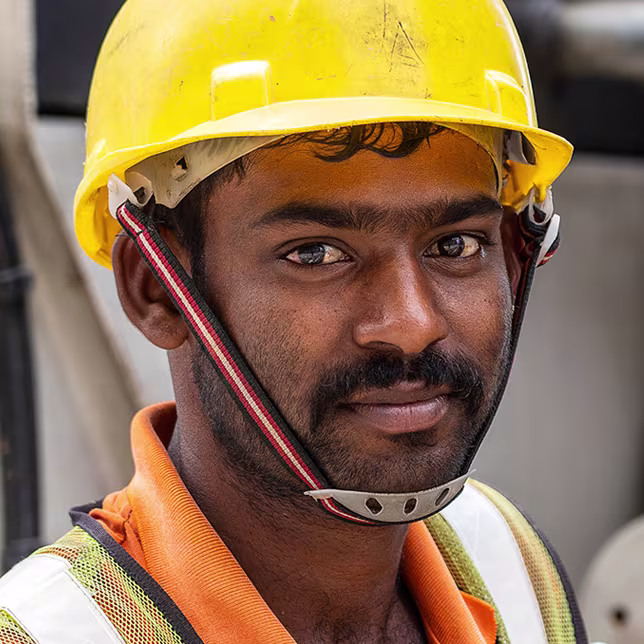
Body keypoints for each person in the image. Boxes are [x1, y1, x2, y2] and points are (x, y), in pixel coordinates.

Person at [0, 0, 587, 642]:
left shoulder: (514, 569)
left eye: (455, 245)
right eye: (315, 253)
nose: (412, 324)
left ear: (514, 250)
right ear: (156, 291)